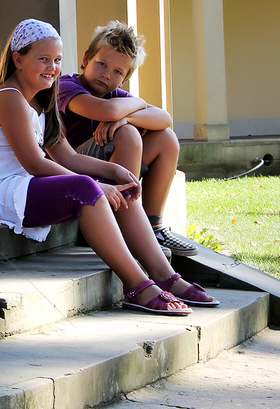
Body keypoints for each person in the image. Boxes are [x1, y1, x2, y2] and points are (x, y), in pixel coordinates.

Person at [0, 19, 218, 315]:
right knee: (86, 188)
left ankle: (166, 276)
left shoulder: (41, 101)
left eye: (57, 60)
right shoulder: (8, 98)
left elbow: (68, 157)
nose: (52, 67)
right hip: (2, 194)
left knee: (113, 187)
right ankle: (138, 285)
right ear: (18, 59)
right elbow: (35, 163)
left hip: (27, 189)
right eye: (43, 59)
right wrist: (97, 185)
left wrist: (113, 172)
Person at [57, 20, 198, 257]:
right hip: (70, 167)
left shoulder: (116, 95)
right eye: (101, 64)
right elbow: (108, 112)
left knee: (166, 139)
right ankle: (124, 226)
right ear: (85, 59)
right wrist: (136, 108)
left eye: (117, 72)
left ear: (124, 79)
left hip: (105, 168)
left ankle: (152, 226)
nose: (106, 75)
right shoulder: (66, 87)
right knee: (128, 134)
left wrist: (127, 118)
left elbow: (164, 118)